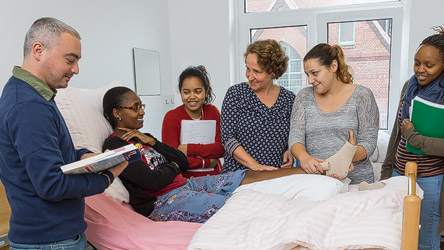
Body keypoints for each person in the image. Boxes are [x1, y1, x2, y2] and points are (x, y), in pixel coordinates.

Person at [0, 17, 127, 249]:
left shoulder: (33, 95)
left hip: (53, 237)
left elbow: (50, 155)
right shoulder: (28, 105)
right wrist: (107, 178)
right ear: (38, 50)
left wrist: (84, 156)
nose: (76, 70)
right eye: (70, 60)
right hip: (50, 241)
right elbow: (52, 185)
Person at [103, 87, 315, 223]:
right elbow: (151, 180)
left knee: (243, 177)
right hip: (162, 201)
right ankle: (295, 218)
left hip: (186, 185)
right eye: (135, 107)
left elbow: (183, 160)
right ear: (117, 113)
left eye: (142, 106)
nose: (142, 111)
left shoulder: (145, 137)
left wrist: (154, 142)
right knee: (233, 205)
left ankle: (313, 171)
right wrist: (174, 167)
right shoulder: (115, 145)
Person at [380, 26, 444, 249]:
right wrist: (387, 170)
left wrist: (414, 136)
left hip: (430, 179)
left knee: (426, 242)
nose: (421, 70)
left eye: (429, 65)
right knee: (394, 237)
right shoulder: (409, 87)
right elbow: (396, 134)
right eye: (417, 63)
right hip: (398, 173)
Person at [289, 43, 379, 185]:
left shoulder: (362, 96)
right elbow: (295, 138)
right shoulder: (303, 97)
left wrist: (345, 159)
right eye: (307, 75)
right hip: (317, 183)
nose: (310, 80)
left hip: (357, 182)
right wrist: (304, 157)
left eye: (315, 73)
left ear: (333, 66)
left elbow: (369, 143)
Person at [221, 39, 295, 173]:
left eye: (257, 71)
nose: (249, 76)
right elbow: (227, 138)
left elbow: (295, 134)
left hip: (274, 175)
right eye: (248, 69)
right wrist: (255, 165)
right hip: (239, 175)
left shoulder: (289, 99)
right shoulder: (236, 94)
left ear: (273, 71)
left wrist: (290, 149)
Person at [162, 65, 224, 177]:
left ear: (206, 90)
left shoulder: (212, 112)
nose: (192, 96)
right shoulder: (171, 117)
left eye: (197, 91)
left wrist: (188, 148)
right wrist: (206, 162)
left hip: (215, 177)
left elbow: (221, 148)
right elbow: (173, 158)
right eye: (186, 92)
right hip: (185, 181)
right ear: (180, 92)